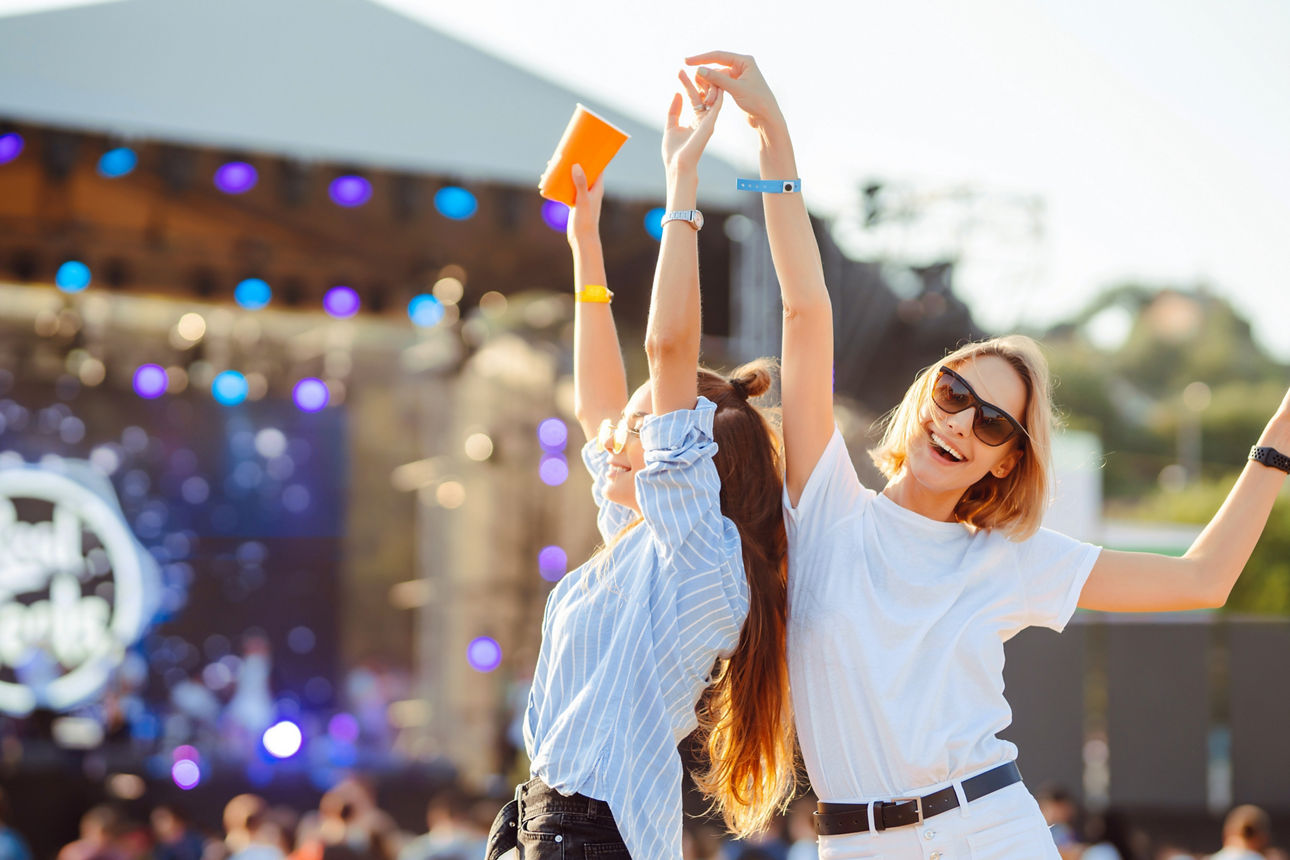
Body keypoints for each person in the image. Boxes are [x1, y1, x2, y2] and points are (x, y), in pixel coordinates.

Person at [690, 49, 1290, 860]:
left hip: (988, 831)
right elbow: (805, 310)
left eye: (995, 424)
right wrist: (775, 138)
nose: (962, 423)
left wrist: (1276, 444)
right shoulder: (828, 505)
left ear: (1007, 460)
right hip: (857, 843)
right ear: (924, 397)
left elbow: (1201, 579)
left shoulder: (1008, 559)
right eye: (952, 394)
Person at [485, 74, 794, 859]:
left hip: (588, 832)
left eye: (644, 430)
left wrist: (681, 187)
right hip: (544, 822)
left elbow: (666, 351)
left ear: (687, 460)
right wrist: (585, 245)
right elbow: (597, 407)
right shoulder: (645, 540)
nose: (619, 436)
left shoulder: (701, 556)